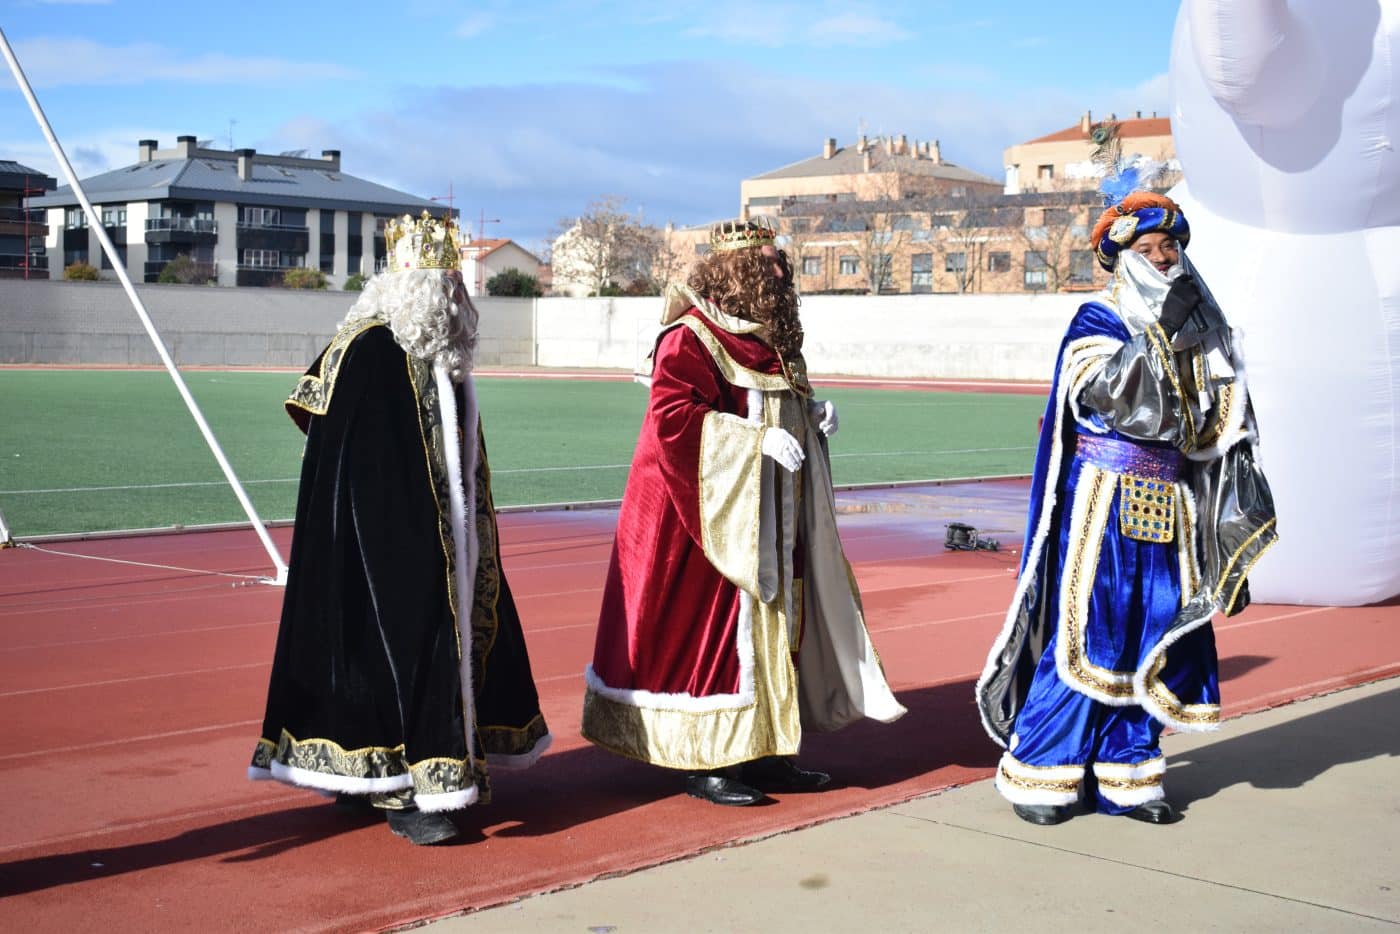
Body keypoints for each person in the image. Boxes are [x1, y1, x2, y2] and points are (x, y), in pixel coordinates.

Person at [976, 190, 1278, 826]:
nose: (1166, 258)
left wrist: (1222, 370)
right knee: (1089, 635)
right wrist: (1167, 334)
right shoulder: (1098, 319)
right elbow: (1116, 399)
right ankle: (1044, 773)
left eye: (1172, 247)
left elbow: (1212, 426)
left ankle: (1129, 775)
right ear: (1123, 259)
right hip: (1104, 504)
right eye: (1149, 249)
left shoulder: (1198, 327)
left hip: (1172, 503)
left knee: (1156, 633)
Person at [581, 218, 906, 806]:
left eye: (781, 265)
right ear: (739, 274)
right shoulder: (691, 336)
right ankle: (712, 761)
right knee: (720, 637)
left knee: (778, 630)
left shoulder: (776, 339)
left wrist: (815, 415)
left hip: (776, 512)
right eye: (771, 266)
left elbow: (784, 407)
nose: (781, 274)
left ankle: (768, 751)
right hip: (708, 518)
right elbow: (672, 421)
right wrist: (752, 442)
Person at [249, 212, 551, 845]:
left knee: (417, 643)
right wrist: (406, 538)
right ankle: (412, 786)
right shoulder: (370, 348)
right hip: (388, 541)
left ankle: (381, 775)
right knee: (395, 644)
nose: (449, 293)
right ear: (402, 282)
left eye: (453, 280)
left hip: (442, 534)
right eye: (435, 280)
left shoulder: (433, 353)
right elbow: (349, 455)